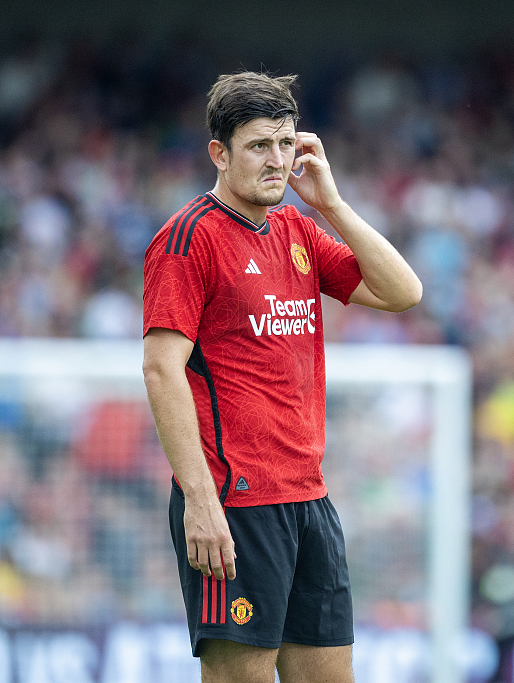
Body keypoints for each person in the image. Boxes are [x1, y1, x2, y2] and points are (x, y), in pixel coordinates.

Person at [141, 71, 422, 683]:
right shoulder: (188, 238)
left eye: (286, 143)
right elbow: (161, 369)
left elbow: (403, 291)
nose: (277, 160)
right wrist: (200, 500)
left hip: (309, 498)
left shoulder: (298, 229)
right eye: (259, 146)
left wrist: (332, 204)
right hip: (236, 503)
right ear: (219, 152)